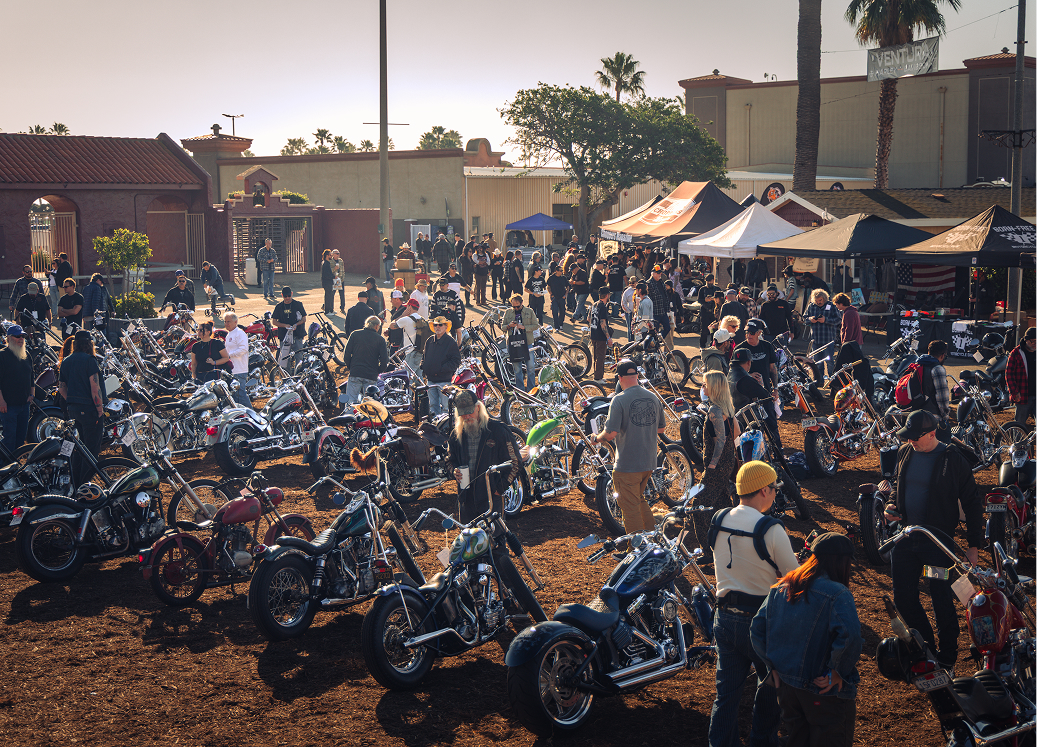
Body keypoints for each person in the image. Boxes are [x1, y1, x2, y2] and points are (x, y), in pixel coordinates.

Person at [706, 460, 799, 747]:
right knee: (772, 683)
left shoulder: (719, 520)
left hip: (724, 619)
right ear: (762, 490)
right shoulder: (770, 528)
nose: (775, 494)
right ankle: (762, 741)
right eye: (773, 489)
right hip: (761, 621)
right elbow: (793, 577)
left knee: (727, 695)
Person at [886, 410, 982, 669]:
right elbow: (898, 483)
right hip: (907, 539)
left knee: (940, 598)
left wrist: (973, 547)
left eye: (915, 437)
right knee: (903, 598)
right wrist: (893, 504)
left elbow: (973, 503)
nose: (910, 441)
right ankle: (926, 650)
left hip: (937, 545)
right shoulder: (906, 451)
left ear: (932, 434)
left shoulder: (953, 459)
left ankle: (948, 657)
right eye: (908, 437)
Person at [751, 532, 863, 747]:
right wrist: (837, 670)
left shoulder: (781, 587)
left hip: (787, 688)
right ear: (841, 561)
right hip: (823, 690)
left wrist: (771, 667)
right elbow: (851, 636)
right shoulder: (837, 593)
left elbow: (757, 630)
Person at [592, 359, 666, 533]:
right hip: (648, 462)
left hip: (628, 465)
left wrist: (597, 437)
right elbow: (661, 429)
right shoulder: (653, 397)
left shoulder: (619, 400)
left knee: (629, 508)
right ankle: (651, 541)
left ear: (620, 378)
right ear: (637, 375)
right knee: (638, 500)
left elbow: (610, 434)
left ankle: (635, 548)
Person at [447, 390, 522, 524]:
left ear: (478, 407)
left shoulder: (498, 430)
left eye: (470, 411)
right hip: (466, 499)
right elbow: (450, 460)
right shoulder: (455, 435)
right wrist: (454, 471)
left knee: (495, 539)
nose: (467, 416)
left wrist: (500, 488)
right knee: (468, 541)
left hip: (491, 497)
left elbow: (515, 462)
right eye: (463, 413)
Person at [694, 371, 740, 558]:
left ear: (713, 387)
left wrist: (712, 464)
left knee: (698, 505)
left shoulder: (714, 410)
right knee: (722, 504)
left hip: (717, 465)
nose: (702, 388)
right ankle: (732, 544)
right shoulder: (727, 408)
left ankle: (707, 550)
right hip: (727, 462)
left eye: (705, 384)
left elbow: (720, 441)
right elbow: (736, 432)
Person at [730, 347, 781, 448]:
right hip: (750, 420)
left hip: (735, 417)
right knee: (756, 447)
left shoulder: (730, 374)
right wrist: (761, 385)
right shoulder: (745, 380)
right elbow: (764, 395)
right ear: (749, 362)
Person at [0, 326, 34, 454]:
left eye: (23, 336)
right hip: (8, 406)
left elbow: (31, 377)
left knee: (20, 440)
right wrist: (1, 401)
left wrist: (32, 394)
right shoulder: (2, 356)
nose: (21, 339)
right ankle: (4, 470)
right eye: (17, 336)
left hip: (24, 405)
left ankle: (16, 468)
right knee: (9, 439)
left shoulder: (26, 355)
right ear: (9, 338)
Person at [343, 316, 389, 403]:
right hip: (371, 375)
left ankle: (350, 415)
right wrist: (378, 371)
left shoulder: (355, 334)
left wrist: (352, 367)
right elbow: (384, 360)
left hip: (355, 372)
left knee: (351, 402)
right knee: (369, 403)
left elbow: (346, 355)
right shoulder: (380, 340)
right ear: (376, 326)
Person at [913, 340, 953, 444]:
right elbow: (942, 398)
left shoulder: (917, 365)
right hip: (932, 418)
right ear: (942, 355)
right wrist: (945, 417)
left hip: (915, 415)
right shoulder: (937, 369)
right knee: (945, 449)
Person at [422, 316, 461, 418]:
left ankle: (446, 429)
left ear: (446, 326)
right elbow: (424, 356)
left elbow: (456, 361)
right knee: (433, 406)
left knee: (446, 407)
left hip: (444, 381)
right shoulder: (429, 340)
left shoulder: (450, 342)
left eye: (440, 325)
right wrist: (424, 366)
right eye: (435, 325)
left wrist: (441, 369)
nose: (437, 327)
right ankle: (436, 428)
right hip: (430, 380)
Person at [502, 294, 540, 391]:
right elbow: (502, 327)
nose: (515, 308)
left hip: (527, 342)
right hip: (513, 343)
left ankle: (531, 390)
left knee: (531, 368)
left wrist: (524, 327)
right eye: (513, 306)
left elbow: (536, 325)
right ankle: (520, 390)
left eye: (517, 306)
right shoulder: (508, 312)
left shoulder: (529, 311)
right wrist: (509, 326)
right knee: (517, 369)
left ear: (522, 303)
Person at [736, 318, 779, 392]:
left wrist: (775, 389)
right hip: (746, 392)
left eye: (752, 333)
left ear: (759, 333)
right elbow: (733, 371)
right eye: (747, 332)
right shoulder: (739, 348)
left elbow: (773, 368)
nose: (749, 335)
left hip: (765, 390)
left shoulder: (767, 346)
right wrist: (748, 375)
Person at [804, 289, 840, 377]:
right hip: (816, 339)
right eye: (816, 301)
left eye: (820, 300)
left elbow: (838, 320)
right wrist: (810, 319)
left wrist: (826, 320)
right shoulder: (811, 306)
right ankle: (819, 381)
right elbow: (804, 319)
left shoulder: (832, 306)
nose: (818, 302)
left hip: (828, 339)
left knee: (830, 362)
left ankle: (832, 382)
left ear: (824, 298)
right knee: (817, 363)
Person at [1006, 326, 1035, 427]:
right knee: (1019, 424)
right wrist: (1014, 392)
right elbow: (1009, 374)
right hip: (1023, 396)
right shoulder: (1015, 353)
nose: (1035, 344)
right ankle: (1017, 442)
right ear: (1026, 340)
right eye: (1032, 341)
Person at [222, 312, 251, 407]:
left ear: (235, 322)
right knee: (234, 396)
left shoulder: (239, 333)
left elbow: (243, 349)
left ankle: (252, 415)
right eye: (225, 321)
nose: (227, 324)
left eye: (229, 321)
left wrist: (228, 356)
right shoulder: (229, 334)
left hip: (239, 369)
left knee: (240, 395)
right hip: (232, 369)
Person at [392, 298, 426, 379]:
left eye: (407, 306)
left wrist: (402, 315)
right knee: (418, 378)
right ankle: (423, 391)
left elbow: (392, 326)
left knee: (407, 377)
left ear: (410, 307)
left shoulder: (406, 319)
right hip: (420, 352)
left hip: (411, 353)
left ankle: (409, 392)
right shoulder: (422, 319)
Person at [271, 286, 306, 357]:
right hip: (284, 336)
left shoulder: (298, 304)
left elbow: (304, 319)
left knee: (299, 356)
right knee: (284, 358)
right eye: (285, 296)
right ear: (282, 295)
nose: (287, 298)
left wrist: (296, 324)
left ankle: (298, 368)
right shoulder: (279, 307)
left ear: (292, 294)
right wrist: (285, 325)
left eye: (289, 296)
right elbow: (274, 322)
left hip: (297, 335)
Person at [589, 286, 613, 381]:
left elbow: (588, 319)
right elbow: (603, 323)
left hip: (593, 333)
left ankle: (597, 376)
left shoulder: (594, 304)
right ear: (607, 295)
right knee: (600, 357)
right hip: (600, 336)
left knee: (596, 357)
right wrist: (608, 337)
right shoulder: (603, 307)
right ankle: (598, 378)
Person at [569, 253, 590, 322]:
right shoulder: (574, 274)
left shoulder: (582, 273)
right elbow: (572, 279)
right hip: (577, 292)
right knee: (581, 305)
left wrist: (574, 282)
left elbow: (582, 282)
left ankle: (574, 317)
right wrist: (571, 282)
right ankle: (586, 317)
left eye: (572, 270)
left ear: (576, 268)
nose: (572, 272)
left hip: (583, 292)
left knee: (579, 304)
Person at [547, 263, 568, 330]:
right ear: (556, 271)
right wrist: (551, 294)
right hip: (554, 298)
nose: (562, 272)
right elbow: (548, 286)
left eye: (562, 270)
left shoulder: (563, 278)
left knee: (562, 311)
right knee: (554, 312)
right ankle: (556, 326)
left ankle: (561, 324)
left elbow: (567, 286)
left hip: (562, 297)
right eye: (560, 270)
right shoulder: (551, 278)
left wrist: (565, 295)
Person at [385, 290, 407, 356]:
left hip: (400, 344)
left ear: (397, 299)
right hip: (393, 342)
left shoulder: (405, 310)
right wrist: (389, 331)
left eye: (392, 299)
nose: (391, 301)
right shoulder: (394, 310)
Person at [473, 242, 491, 306]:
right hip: (478, 273)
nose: (479, 249)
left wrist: (481, 262)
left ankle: (483, 301)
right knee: (478, 287)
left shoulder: (486, 254)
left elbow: (488, 262)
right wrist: (482, 262)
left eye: (481, 248)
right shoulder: (475, 255)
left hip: (484, 273)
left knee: (483, 287)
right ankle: (478, 301)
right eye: (478, 248)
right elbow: (477, 261)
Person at [621, 275, 638, 340]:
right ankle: (630, 343)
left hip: (638, 313)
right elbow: (623, 303)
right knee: (630, 329)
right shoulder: (627, 291)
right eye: (630, 282)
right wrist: (628, 311)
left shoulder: (639, 290)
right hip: (630, 313)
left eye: (633, 282)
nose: (631, 284)